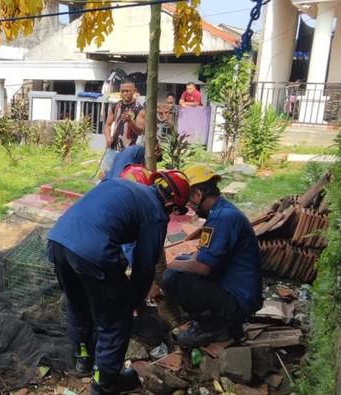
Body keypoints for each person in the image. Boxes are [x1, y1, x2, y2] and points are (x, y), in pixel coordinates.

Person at [46, 171, 191, 395]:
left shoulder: (121, 185)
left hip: (58, 241)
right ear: (172, 203)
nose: (173, 215)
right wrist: (131, 302)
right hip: (90, 252)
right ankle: (104, 383)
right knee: (115, 321)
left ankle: (83, 358)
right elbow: (144, 268)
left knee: (77, 302)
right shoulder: (155, 213)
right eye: (178, 211)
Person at [162, 164, 262, 348]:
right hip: (235, 289)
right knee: (184, 261)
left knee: (171, 276)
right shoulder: (222, 211)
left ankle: (214, 326)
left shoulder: (222, 219)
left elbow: (203, 267)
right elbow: (201, 254)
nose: (189, 207)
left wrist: (170, 265)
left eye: (189, 200)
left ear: (198, 194)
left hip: (238, 299)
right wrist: (181, 261)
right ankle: (216, 319)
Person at [104, 79, 146, 151]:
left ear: (134, 91)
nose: (125, 93)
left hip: (129, 150)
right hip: (113, 148)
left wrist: (130, 122)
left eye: (128, 91)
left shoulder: (139, 109)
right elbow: (108, 125)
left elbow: (140, 131)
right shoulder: (116, 106)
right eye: (122, 91)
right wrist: (108, 137)